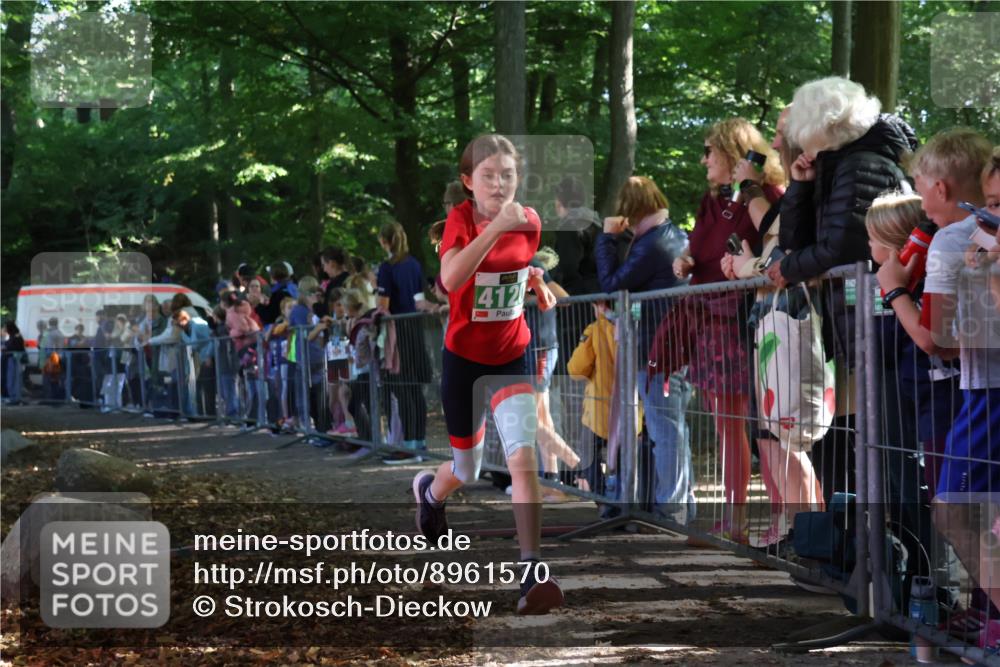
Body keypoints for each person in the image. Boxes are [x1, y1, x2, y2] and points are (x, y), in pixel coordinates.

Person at [411, 134, 563, 615]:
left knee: (523, 461)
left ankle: (532, 572)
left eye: (508, 175)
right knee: (468, 469)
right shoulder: (461, 220)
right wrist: (495, 228)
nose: (500, 185)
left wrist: (535, 282)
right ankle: (430, 493)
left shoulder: (530, 222)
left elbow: (516, 268)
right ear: (468, 182)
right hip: (464, 360)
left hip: (511, 355)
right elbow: (451, 280)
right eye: (488, 176)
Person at [875, 129, 1000, 647]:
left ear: (941, 189)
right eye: (990, 201)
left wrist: (895, 290)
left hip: (984, 392)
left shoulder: (957, 238)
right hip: (978, 388)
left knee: (955, 510)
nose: (988, 212)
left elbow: (938, 340)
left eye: (920, 184)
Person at [771, 76, 917, 506]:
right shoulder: (837, 165)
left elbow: (846, 244)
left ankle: (901, 553)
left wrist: (787, 268)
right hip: (852, 322)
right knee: (867, 438)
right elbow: (797, 241)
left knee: (889, 445)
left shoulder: (862, 164)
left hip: (877, 321)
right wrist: (800, 186)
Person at [670, 117, 784, 542]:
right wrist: (684, 259)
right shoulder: (711, 201)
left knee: (766, 425)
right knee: (728, 424)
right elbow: (702, 249)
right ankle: (735, 521)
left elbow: (776, 245)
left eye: (709, 151)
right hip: (711, 325)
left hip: (751, 324)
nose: (704, 160)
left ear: (732, 153)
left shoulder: (767, 196)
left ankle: (784, 523)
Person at [720, 107, 823, 547]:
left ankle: (808, 532)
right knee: (773, 435)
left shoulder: (797, 191)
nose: (774, 145)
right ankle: (798, 529)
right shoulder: (788, 192)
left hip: (793, 321)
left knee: (788, 434)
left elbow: (782, 248)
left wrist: (747, 266)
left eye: (781, 136)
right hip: (771, 325)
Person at [598, 176, 691, 524]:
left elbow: (611, 283)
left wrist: (607, 240)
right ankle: (678, 504)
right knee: (670, 425)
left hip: (656, 348)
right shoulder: (674, 234)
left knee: (663, 426)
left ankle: (672, 508)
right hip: (670, 345)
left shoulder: (651, 243)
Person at [377, 221, 433, 463]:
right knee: (415, 389)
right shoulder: (414, 264)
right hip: (415, 330)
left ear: (384, 241)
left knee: (403, 388)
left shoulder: (387, 268)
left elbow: (383, 305)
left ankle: (409, 446)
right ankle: (418, 442)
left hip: (397, 334)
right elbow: (419, 299)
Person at [551, 175, 602, 296]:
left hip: (577, 298)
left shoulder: (568, 227)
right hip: (599, 292)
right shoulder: (596, 223)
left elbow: (568, 268)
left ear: (559, 201)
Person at [4, 322, 25, 405]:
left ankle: (14, 397)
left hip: (14, 359)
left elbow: (11, 346)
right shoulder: (16, 336)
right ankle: (15, 397)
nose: (5, 329)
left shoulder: (15, 337)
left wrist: (5, 348)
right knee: (14, 379)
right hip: (14, 359)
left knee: (13, 379)